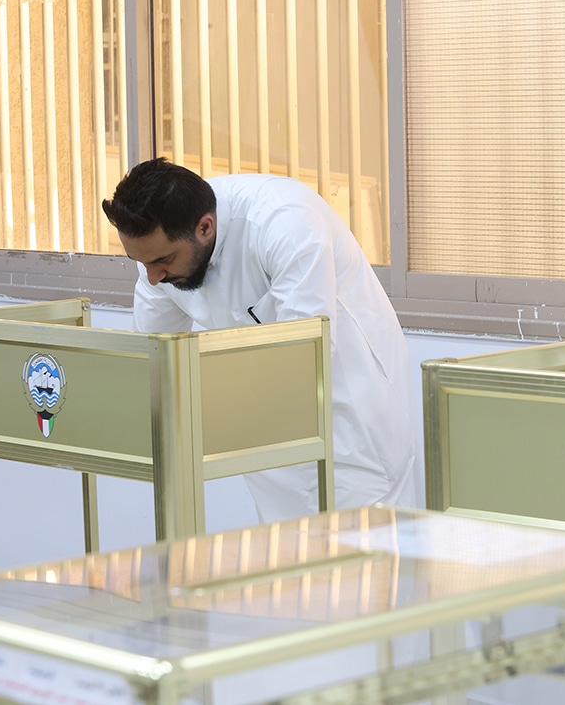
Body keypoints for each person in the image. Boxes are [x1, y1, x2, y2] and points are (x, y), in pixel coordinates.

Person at [102, 158, 423, 520]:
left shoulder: (284, 221)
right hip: (266, 434)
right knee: (286, 561)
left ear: (205, 228)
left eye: (163, 261)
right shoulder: (160, 257)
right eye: (141, 263)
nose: (154, 277)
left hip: (349, 422)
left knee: (367, 556)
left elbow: (303, 355)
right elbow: (154, 358)